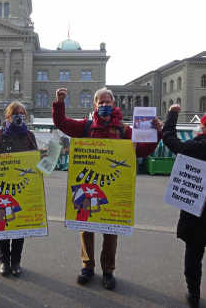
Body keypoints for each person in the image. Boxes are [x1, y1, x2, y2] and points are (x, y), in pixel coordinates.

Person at [52, 87, 162, 289]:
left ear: (114, 105)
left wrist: (155, 132)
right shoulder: (85, 127)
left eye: (107, 102)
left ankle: (108, 270)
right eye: (100, 102)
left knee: (111, 229)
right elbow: (61, 123)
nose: (104, 105)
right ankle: (87, 266)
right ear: (95, 105)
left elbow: (144, 150)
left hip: (113, 186)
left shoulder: (125, 130)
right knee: (86, 227)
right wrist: (59, 103)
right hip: (89, 186)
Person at [163, 104, 206, 308]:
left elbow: (170, 139)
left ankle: (193, 294)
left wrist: (172, 114)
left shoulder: (197, 147)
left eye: (201, 126)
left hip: (195, 212)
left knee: (193, 255)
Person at [0, 101, 38, 277]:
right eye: (15, 113)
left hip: (22, 187)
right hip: (3, 187)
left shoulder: (29, 136)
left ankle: (16, 261)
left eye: (21, 113)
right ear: (8, 116)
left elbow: (35, 160)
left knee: (20, 225)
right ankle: (4, 261)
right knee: (3, 224)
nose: (18, 116)